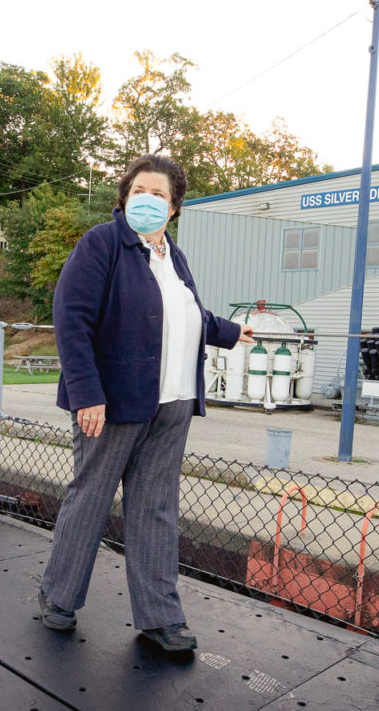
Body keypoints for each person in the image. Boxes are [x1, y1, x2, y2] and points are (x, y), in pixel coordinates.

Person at [39, 155, 254, 652]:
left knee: (156, 507)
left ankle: (159, 617)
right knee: (91, 496)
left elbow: (188, 313)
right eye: (139, 191)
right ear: (124, 197)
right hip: (112, 402)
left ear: (174, 207)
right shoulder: (102, 243)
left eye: (159, 195)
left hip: (173, 401)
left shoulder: (173, 257)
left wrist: (228, 331)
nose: (147, 201)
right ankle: (58, 596)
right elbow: (71, 318)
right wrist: (87, 393)